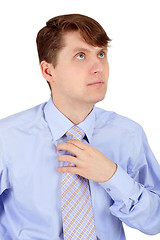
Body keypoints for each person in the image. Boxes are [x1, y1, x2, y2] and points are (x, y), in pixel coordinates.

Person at [0, 13, 160, 240]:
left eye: (101, 54)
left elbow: (155, 221)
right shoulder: (7, 138)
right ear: (48, 71)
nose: (98, 67)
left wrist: (112, 176)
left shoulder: (128, 134)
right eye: (81, 55)